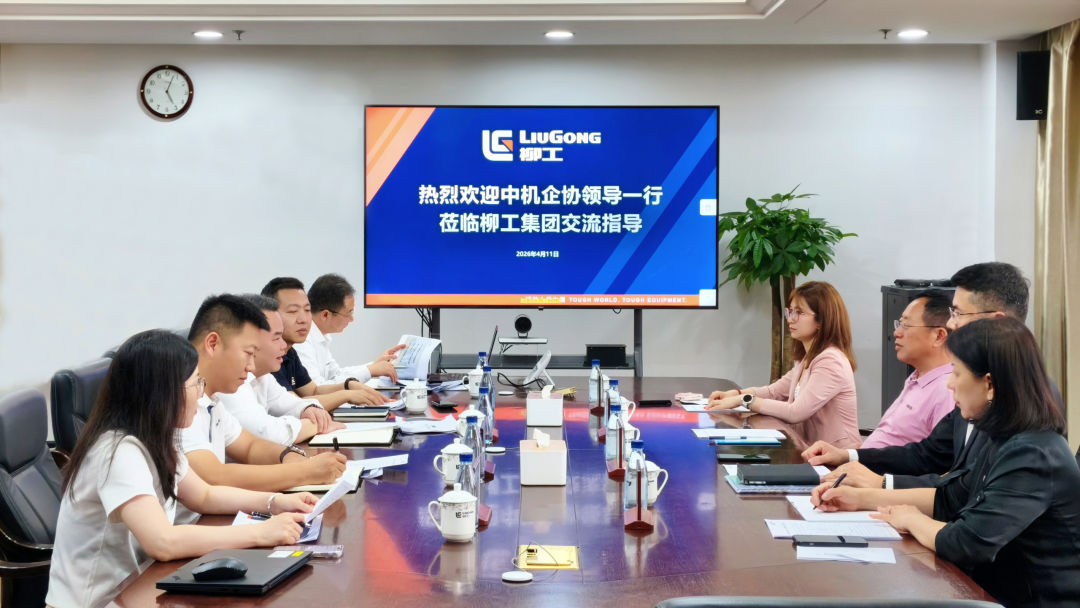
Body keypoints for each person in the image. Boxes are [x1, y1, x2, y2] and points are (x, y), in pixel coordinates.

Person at [810, 318, 1080, 608]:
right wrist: (859, 499)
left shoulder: (1032, 453)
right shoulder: (1004, 438)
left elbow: (965, 543)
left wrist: (911, 518)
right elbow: (952, 496)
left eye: (956, 373)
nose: (949, 384)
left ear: (989, 384)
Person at [46, 330, 317, 608]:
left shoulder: (154, 437)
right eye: (195, 383)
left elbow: (205, 495)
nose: (200, 394)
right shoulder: (118, 451)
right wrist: (261, 533)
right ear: (162, 392)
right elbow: (162, 542)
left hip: (137, 588)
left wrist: (274, 502)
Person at [804, 262, 1064, 489]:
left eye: (958, 314)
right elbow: (927, 454)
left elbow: (968, 490)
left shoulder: (1024, 395)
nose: (950, 324)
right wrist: (849, 456)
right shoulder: (971, 383)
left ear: (997, 322)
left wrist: (880, 486)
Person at [178, 294, 347, 524]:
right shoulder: (179, 398)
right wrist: (306, 472)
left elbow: (250, 447)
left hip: (211, 521)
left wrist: (293, 458)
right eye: (248, 353)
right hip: (188, 532)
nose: (251, 365)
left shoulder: (212, 398)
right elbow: (213, 476)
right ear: (213, 344)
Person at [708, 281, 861, 448]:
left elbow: (795, 412)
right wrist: (735, 393)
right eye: (790, 311)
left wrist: (745, 400)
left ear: (822, 320)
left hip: (839, 456)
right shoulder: (807, 359)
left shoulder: (830, 361)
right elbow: (774, 392)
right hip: (809, 450)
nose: (790, 319)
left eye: (799, 312)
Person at [218, 294, 345, 445]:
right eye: (277, 338)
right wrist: (316, 425)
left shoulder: (263, 376)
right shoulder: (230, 381)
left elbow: (291, 403)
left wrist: (309, 408)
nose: (284, 346)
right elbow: (267, 433)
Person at [260, 277, 387, 410]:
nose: (303, 319)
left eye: (307, 310)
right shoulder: (268, 357)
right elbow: (293, 404)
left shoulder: (290, 352)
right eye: (293, 311)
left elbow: (313, 391)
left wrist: (348, 385)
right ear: (271, 316)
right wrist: (346, 395)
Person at [860, 290, 954, 449]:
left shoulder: (947, 390)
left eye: (906, 325)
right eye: (899, 324)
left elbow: (940, 458)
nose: (896, 333)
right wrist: (850, 452)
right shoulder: (917, 377)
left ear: (938, 336)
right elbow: (892, 439)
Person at [295, 273, 404, 386]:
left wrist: (375, 365)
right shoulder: (302, 341)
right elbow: (316, 388)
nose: (351, 319)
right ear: (325, 315)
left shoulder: (320, 335)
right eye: (349, 313)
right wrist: (370, 370)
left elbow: (336, 375)